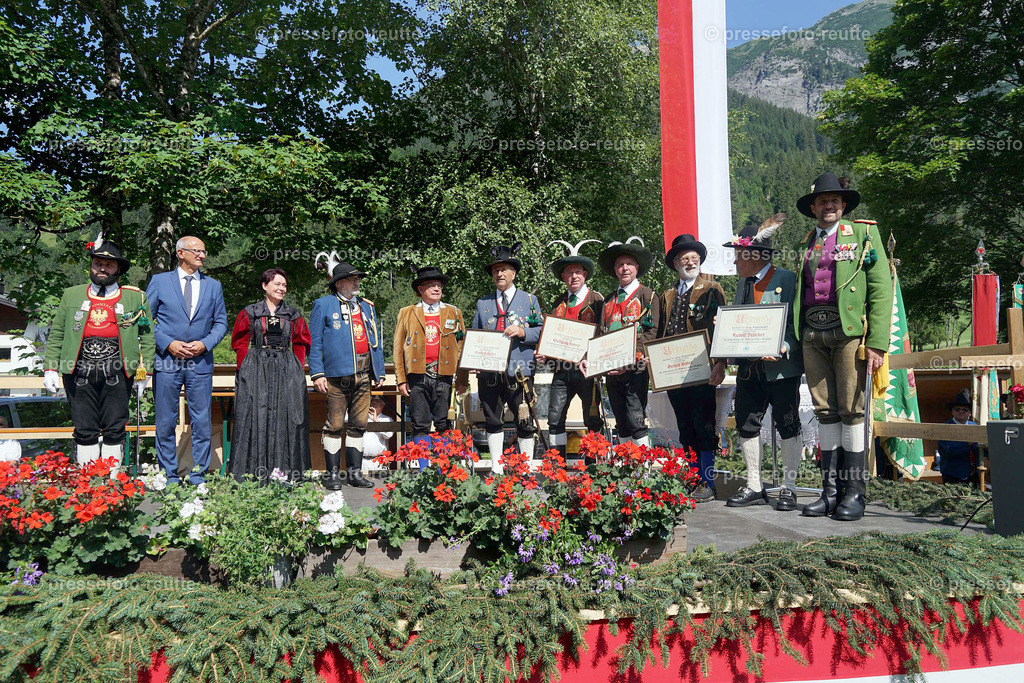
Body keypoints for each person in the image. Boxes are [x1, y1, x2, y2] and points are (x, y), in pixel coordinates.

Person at [794, 173, 893, 521]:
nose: (829, 205)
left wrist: (878, 343)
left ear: (844, 205)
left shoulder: (865, 234)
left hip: (849, 334)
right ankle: (830, 492)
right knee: (826, 412)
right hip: (812, 336)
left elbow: (882, 289)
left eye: (835, 200)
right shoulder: (807, 240)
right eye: (822, 201)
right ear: (813, 207)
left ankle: (855, 493)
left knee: (852, 410)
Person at [43, 235, 155, 469]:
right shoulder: (71, 294)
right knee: (84, 429)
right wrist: (51, 367)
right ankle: (90, 488)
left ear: (118, 269)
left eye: (109, 264)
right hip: (78, 371)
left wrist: (147, 374)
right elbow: (57, 334)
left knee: (115, 428)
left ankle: (113, 487)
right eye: (98, 263)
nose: (102, 268)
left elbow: (146, 336)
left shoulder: (135, 297)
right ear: (92, 266)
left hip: (118, 370)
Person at [719, 219, 804, 511]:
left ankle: (789, 488)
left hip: (781, 368)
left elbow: (797, 324)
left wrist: (786, 346)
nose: (735, 261)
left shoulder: (789, 279)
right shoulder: (743, 283)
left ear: (756, 256)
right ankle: (755, 485)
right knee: (746, 424)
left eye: (739, 255)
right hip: (749, 368)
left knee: (788, 424)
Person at [147, 236, 229, 485]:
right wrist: (168, 343)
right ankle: (169, 475)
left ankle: (198, 474)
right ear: (181, 253)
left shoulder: (213, 285)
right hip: (167, 361)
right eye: (197, 251)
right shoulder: (160, 282)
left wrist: (205, 343)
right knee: (165, 420)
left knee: (202, 419)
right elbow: (145, 321)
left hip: (200, 362)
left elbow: (221, 322)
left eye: (204, 251)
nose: (203, 255)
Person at [657, 233, 725, 502]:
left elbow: (723, 329)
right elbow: (660, 331)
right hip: (672, 371)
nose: (689, 261)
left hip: (701, 369)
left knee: (704, 424)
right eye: (684, 258)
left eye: (694, 258)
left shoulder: (712, 289)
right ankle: (693, 477)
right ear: (676, 263)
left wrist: (720, 362)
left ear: (700, 261)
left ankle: (708, 481)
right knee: (685, 426)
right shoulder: (667, 295)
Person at [228, 268, 311, 483]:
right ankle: (251, 476)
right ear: (265, 286)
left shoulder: (293, 314)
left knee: (288, 417)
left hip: (286, 368)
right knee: (255, 415)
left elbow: (302, 343)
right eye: (277, 284)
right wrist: (245, 366)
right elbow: (239, 341)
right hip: (256, 368)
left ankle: (286, 475)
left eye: (284, 285)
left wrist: (297, 366)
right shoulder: (251, 312)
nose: (282, 288)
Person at [309, 260, 385, 489]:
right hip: (335, 377)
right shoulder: (323, 305)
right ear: (339, 283)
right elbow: (314, 343)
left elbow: (376, 342)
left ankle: (354, 474)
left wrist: (378, 370)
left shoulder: (367, 306)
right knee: (334, 425)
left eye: (358, 279)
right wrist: (317, 374)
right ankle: (333, 475)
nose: (357, 282)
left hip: (363, 375)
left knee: (359, 424)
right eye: (352, 279)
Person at [471, 243, 543, 472]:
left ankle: (526, 467)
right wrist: (472, 361)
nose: (499, 274)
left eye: (503, 270)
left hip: (520, 371)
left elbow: (542, 332)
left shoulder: (530, 300)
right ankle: (496, 468)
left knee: (524, 421)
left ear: (514, 273)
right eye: (495, 271)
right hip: (489, 372)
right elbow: (475, 336)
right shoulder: (483, 303)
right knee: (492, 420)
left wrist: (523, 332)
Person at [586, 238, 659, 448]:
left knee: (636, 420)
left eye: (629, 264)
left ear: (637, 267)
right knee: (620, 421)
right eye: (620, 264)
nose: (624, 268)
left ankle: (642, 472)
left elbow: (651, 332)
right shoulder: (608, 300)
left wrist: (627, 358)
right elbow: (601, 333)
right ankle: (626, 470)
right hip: (611, 371)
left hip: (634, 368)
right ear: (615, 270)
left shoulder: (649, 296)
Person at [393, 266, 468, 468]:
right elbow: (398, 348)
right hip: (417, 376)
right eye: (431, 285)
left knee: (444, 423)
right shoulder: (407, 312)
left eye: (439, 285)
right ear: (420, 289)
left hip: (444, 376)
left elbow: (461, 348)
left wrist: (462, 380)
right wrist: (401, 379)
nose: (437, 288)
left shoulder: (454, 312)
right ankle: (425, 468)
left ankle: (444, 467)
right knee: (420, 424)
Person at [536, 240, 605, 457]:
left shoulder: (597, 300)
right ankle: (557, 466)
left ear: (585, 275)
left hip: (587, 371)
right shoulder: (558, 303)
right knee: (555, 417)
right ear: (563, 278)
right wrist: (544, 354)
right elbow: (552, 337)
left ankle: (594, 468)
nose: (574, 276)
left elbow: (603, 335)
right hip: (562, 370)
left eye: (577, 272)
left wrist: (588, 357)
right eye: (569, 273)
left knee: (592, 418)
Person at [936, 389, 980, 485]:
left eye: (964, 410)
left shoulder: (975, 426)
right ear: (952, 411)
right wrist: (970, 441)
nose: (961, 412)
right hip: (953, 476)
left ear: (969, 413)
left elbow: (980, 450)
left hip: (974, 475)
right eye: (957, 409)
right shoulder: (944, 428)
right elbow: (953, 449)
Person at [363, 397, 395, 463]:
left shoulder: (387, 419)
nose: (373, 403)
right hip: (362, 460)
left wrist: (375, 420)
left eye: (377, 401)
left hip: (379, 460)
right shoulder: (363, 418)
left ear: (382, 404)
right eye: (372, 400)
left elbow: (388, 435)